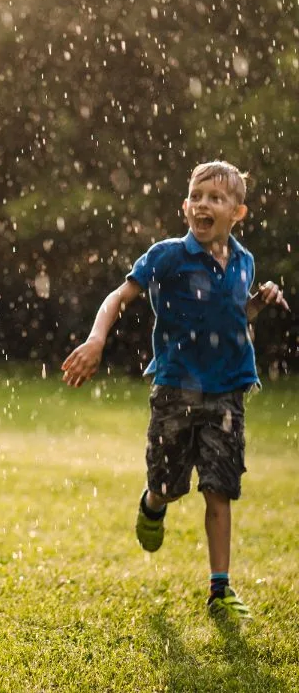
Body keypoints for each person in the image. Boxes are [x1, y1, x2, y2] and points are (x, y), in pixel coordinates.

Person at [61, 160, 288, 622]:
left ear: (237, 213)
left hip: (228, 390)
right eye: (197, 196)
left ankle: (219, 589)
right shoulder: (167, 256)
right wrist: (96, 339)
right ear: (186, 206)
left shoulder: (244, 261)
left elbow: (233, 316)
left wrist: (257, 305)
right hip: (175, 390)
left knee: (219, 488)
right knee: (168, 484)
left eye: (216, 198)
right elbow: (117, 297)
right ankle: (152, 504)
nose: (204, 204)